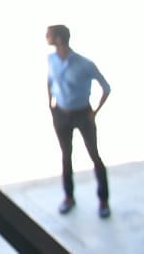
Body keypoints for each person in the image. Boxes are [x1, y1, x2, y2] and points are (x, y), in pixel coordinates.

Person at [46, 24, 111, 219]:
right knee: (66, 156)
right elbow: (49, 81)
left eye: (49, 35)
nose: (46, 37)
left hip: (83, 114)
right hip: (61, 114)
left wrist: (94, 112)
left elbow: (106, 88)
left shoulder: (85, 64)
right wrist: (50, 105)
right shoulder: (51, 59)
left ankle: (103, 200)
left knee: (94, 155)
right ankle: (69, 197)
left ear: (59, 39)